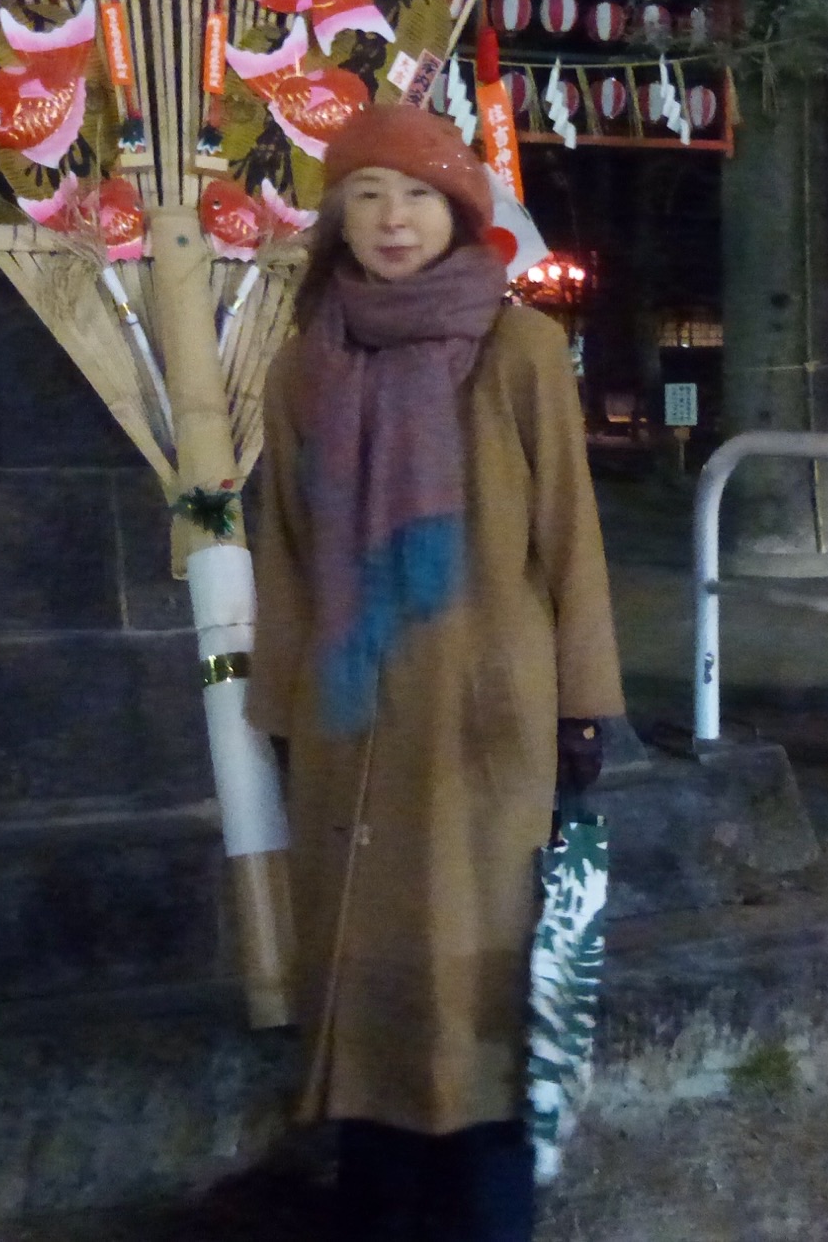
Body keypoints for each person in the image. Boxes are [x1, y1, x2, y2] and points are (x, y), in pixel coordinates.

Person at [248, 105, 624, 1242]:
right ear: (337, 218)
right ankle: (379, 1205)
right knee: (365, 966)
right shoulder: (305, 362)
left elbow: (569, 534)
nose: (392, 219)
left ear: (459, 214)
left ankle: (487, 1212)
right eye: (366, 195)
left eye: (417, 195)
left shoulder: (519, 350)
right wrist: (283, 705)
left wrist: (584, 704)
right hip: (350, 712)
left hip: (483, 714)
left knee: (482, 968)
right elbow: (286, 548)